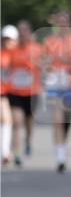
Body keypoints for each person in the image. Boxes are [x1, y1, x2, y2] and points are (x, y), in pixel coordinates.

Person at [42, 9, 71, 172]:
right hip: (54, 85)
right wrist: (46, 65)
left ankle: (61, 144)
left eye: (65, 22)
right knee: (57, 120)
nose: (62, 25)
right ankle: (60, 157)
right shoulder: (48, 41)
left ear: (69, 24)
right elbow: (44, 63)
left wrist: (66, 60)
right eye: (59, 23)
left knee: (67, 119)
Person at [7, 20, 42, 165]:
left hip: (32, 92)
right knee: (16, 122)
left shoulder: (37, 48)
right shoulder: (11, 49)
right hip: (15, 91)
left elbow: (45, 64)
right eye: (19, 31)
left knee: (28, 121)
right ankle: (16, 154)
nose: (22, 34)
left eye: (24, 31)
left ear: (29, 33)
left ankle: (28, 140)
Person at [1, 25, 19, 167]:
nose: (9, 42)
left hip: (14, 92)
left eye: (11, 39)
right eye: (6, 39)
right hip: (2, 92)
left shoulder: (18, 53)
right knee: (7, 119)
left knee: (12, 121)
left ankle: (8, 151)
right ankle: (6, 153)